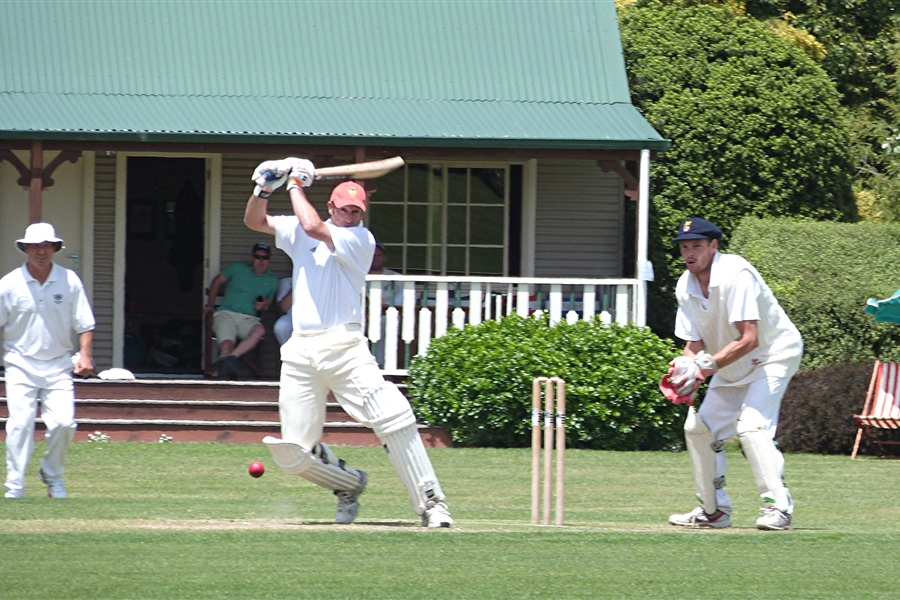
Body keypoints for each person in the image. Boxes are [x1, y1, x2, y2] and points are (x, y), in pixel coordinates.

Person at [244, 157, 453, 527]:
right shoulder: (299, 231)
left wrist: (294, 185)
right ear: (332, 207)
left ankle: (432, 505)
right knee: (293, 453)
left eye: (356, 211)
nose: (350, 216)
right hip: (300, 351)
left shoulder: (360, 239)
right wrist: (263, 189)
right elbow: (254, 222)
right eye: (344, 210)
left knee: (394, 415)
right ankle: (349, 484)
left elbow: (312, 225)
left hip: (344, 348)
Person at [663, 217, 803, 531]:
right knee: (699, 430)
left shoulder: (735, 274)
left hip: (772, 354)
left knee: (752, 427)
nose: (690, 253)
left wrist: (704, 366)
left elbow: (750, 337)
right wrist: (688, 371)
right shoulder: (685, 286)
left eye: (697, 246)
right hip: (730, 363)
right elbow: (693, 345)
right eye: (685, 247)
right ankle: (713, 511)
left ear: (714, 246)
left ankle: (778, 508)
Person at [1, 222, 96, 499]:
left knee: (64, 424)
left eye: (46, 246)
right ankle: (15, 486)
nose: (41, 252)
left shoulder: (69, 280)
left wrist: (86, 356)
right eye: (35, 246)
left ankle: (52, 475)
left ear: (54, 249)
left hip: (58, 364)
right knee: (20, 424)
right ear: (26, 248)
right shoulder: (9, 284)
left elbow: (85, 323)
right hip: (20, 362)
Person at [204, 243, 279, 374]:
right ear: (252, 258)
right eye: (257, 256)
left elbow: (269, 303)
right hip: (226, 314)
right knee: (227, 345)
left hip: (249, 318)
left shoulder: (273, 281)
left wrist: (263, 305)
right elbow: (216, 281)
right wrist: (210, 305)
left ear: (269, 260)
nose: (261, 261)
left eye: (265, 257)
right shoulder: (236, 268)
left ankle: (230, 359)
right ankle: (224, 379)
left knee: (260, 331)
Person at [368, 241, 402, 368]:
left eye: (378, 255)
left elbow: (403, 296)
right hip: (362, 315)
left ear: (384, 258)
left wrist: (388, 308)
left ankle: (381, 365)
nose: (375, 259)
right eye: (372, 255)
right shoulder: (357, 275)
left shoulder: (395, 277)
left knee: (384, 324)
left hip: (387, 315)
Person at [273, 276, 293, 346]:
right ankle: (290, 355)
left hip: (319, 317)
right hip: (293, 316)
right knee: (281, 326)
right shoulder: (287, 282)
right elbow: (283, 307)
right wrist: (298, 285)